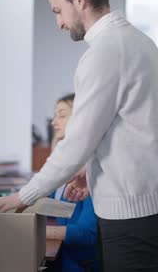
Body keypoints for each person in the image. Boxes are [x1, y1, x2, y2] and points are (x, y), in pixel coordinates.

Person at [0, 0, 158, 272]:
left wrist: (26, 196)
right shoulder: (136, 41)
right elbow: (125, 126)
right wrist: (92, 171)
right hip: (145, 200)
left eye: (57, 11)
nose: (59, 23)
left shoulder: (106, 51)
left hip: (132, 210)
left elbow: (77, 140)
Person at [47, 93, 99, 272]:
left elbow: (86, 234)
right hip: (65, 256)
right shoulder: (69, 163)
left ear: (80, 118)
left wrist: (36, 232)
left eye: (61, 116)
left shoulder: (90, 170)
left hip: (80, 264)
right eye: (54, 116)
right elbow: (48, 197)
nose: (54, 122)